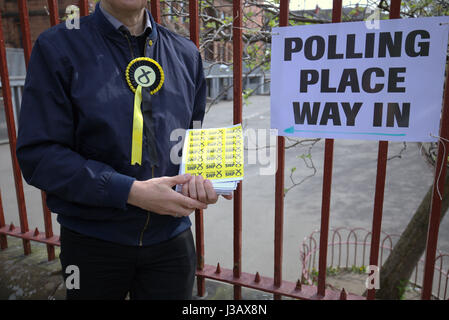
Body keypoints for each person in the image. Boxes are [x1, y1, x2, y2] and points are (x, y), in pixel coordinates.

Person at [16, 0, 231, 300]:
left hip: (172, 242)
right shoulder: (57, 47)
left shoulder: (186, 53)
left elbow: (189, 143)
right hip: (92, 243)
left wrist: (205, 180)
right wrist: (129, 191)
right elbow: (39, 155)